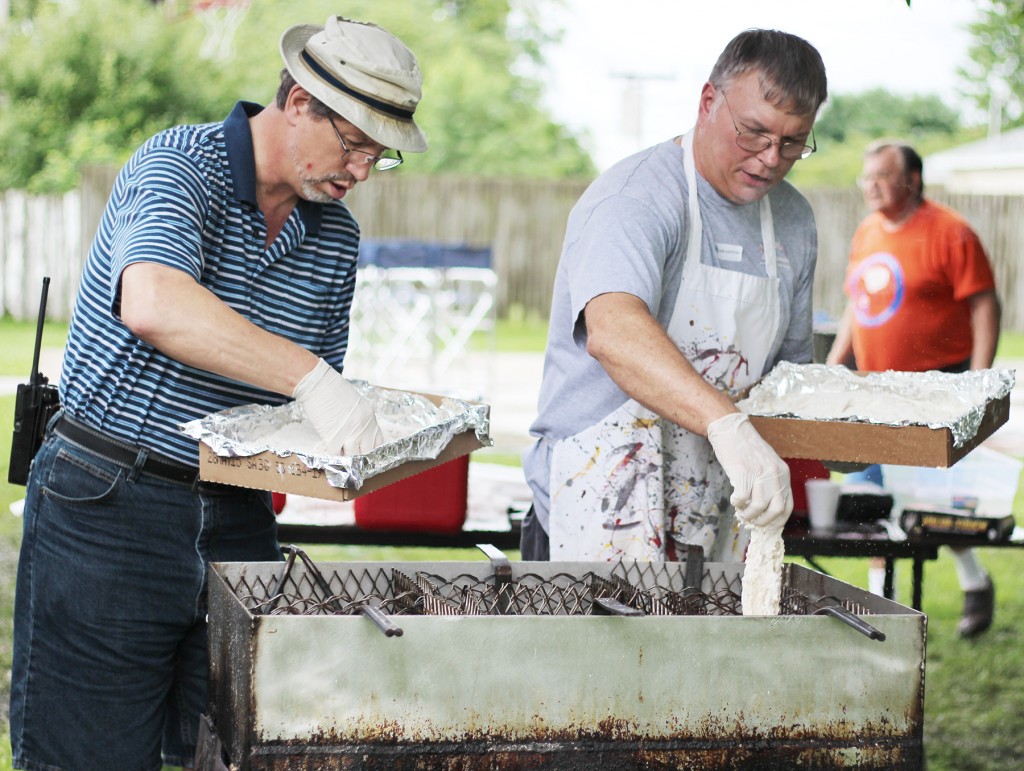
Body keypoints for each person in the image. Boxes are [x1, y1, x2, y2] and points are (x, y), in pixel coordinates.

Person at [10, 15, 427, 769]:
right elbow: (155, 304)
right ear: (299, 101)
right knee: (87, 754)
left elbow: (305, 407)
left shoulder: (336, 238)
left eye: (379, 154)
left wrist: (334, 439)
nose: (362, 170)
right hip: (108, 501)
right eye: (355, 142)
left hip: (236, 512)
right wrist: (310, 379)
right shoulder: (179, 164)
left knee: (245, 750)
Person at [520, 29, 828, 563]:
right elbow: (614, 332)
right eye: (754, 132)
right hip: (598, 505)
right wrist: (726, 422)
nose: (771, 158)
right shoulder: (635, 198)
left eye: (793, 142)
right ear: (709, 101)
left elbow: (789, 376)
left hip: (715, 510)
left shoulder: (794, 221)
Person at [827, 139, 1001, 638]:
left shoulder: (950, 232)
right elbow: (857, 306)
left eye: (882, 176)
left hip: (935, 385)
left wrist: (979, 379)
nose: (871, 186)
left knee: (930, 503)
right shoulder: (866, 232)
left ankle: (974, 582)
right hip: (874, 386)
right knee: (869, 500)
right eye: (866, 177)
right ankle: (880, 609)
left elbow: (984, 305)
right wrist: (839, 363)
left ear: (913, 180)